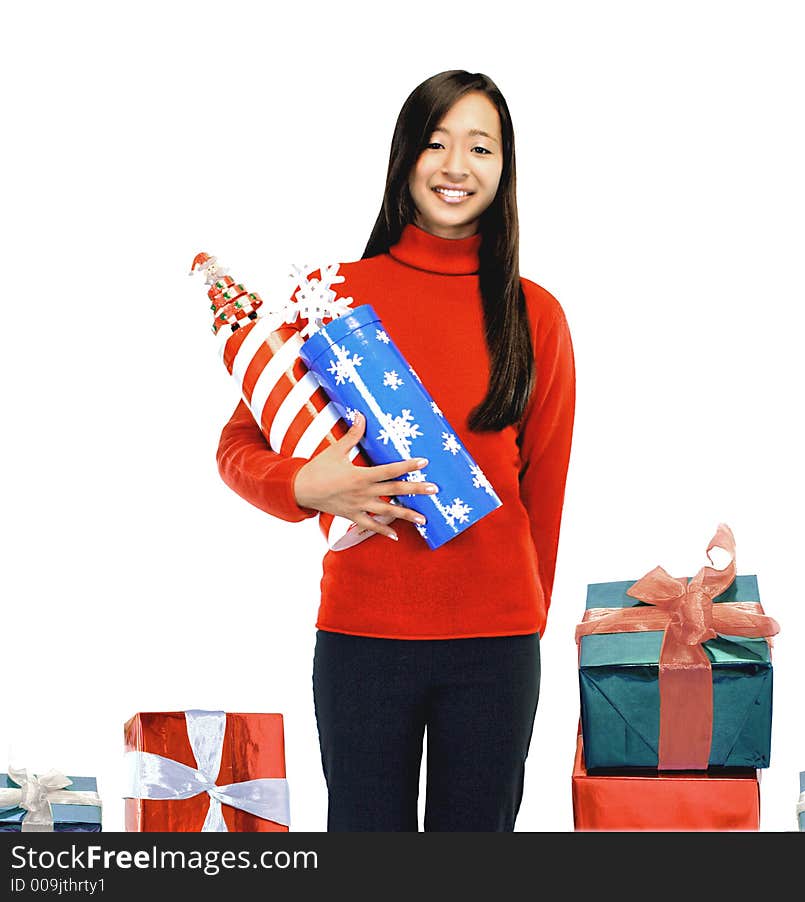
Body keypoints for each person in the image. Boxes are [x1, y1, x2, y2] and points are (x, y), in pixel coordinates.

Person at [216, 70, 575, 831]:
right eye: (436, 142)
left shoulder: (534, 313)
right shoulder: (331, 294)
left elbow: (546, 486)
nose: (456, 166)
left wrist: (524, 618)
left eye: (481, 147)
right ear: (404, 156)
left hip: (496, 647)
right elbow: (239, 444)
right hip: (362, 640)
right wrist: (305, 486)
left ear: (504, 168)